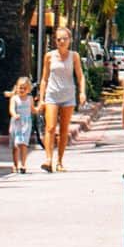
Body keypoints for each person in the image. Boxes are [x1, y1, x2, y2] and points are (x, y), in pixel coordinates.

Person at [39, 28, 82, 173]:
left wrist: (82, 92)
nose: (62, 42)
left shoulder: (74, 56)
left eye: (64, 38)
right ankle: (48, 159)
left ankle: (59, 161)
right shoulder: (49, 56)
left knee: (64, 130)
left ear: (70, 40)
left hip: (68, 96)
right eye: (58, 39)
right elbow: (44, 79)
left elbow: (80, 76)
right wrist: (41, 98)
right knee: (50, 128)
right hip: (52, 95)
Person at [7, 78, 37, 174]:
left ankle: (23, 164)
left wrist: (40, 108)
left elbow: (33, 110)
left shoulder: (30, 99)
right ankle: (15, 164)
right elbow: (11, 109)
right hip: (16, 123)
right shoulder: (14, 98)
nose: (22, 90)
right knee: (15, 145)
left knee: (24, 144)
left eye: (24, 88)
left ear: (28, 89)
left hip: (26, 124)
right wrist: (15, 115)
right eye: (20, 88)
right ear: (17, 88)